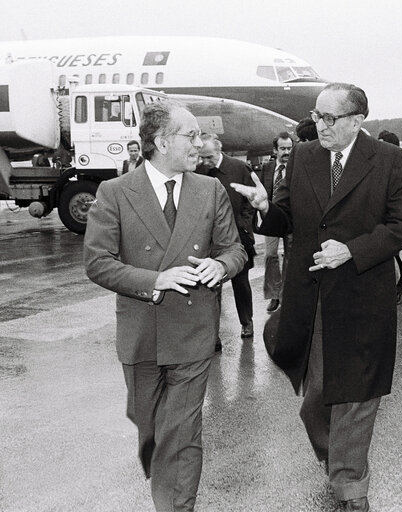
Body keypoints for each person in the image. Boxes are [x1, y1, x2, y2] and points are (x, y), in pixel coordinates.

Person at [231, 82, 402, 512]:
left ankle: (351, 485)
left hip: (361, 296)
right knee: (316, 400)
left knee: (356, 394)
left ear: (357, 120)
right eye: (317, 116)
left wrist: (351, 250)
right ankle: (335, 458)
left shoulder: (389, 161)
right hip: (310, 298)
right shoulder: (303, 156)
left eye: (330, 118)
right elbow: (285, 217)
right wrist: (263, 207)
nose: (320, 125)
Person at [83, 102, 246, 511]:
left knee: (183, 432)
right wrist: (155, 280)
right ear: (159, 142)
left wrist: (220, 265)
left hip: (192, 332)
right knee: (153, 433)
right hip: (142, 335)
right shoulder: (115, 193)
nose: (201, 144)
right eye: (191, 136)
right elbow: (98, 262)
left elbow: (234, 249)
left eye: (201, 136)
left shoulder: (210, 190)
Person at [196, 133, 257, 343]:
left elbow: (251, 199)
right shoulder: (199, 171)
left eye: (209, 157)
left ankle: (246, 322)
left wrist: (244, 224)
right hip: (210, 239)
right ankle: (214, 334)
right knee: (213, 286)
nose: (206, 162)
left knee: (241, 283)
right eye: (202, 157)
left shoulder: (239, 168)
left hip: (238, 238)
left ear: (219, 150)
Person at [254, 132, 293, 312]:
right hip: (271, 219)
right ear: (275, 150)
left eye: (289, 148)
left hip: (291, 220)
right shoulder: (267, 168)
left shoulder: (296, 167)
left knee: (290, 257)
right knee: (270, 256)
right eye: (283, 148)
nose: (286, 152)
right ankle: (273, 295)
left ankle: (286, 294)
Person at [377, 129, 402, 305]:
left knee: (395, 254)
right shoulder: (378, 166)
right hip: (384, 222)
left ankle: (399, 287)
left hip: (397, 223)